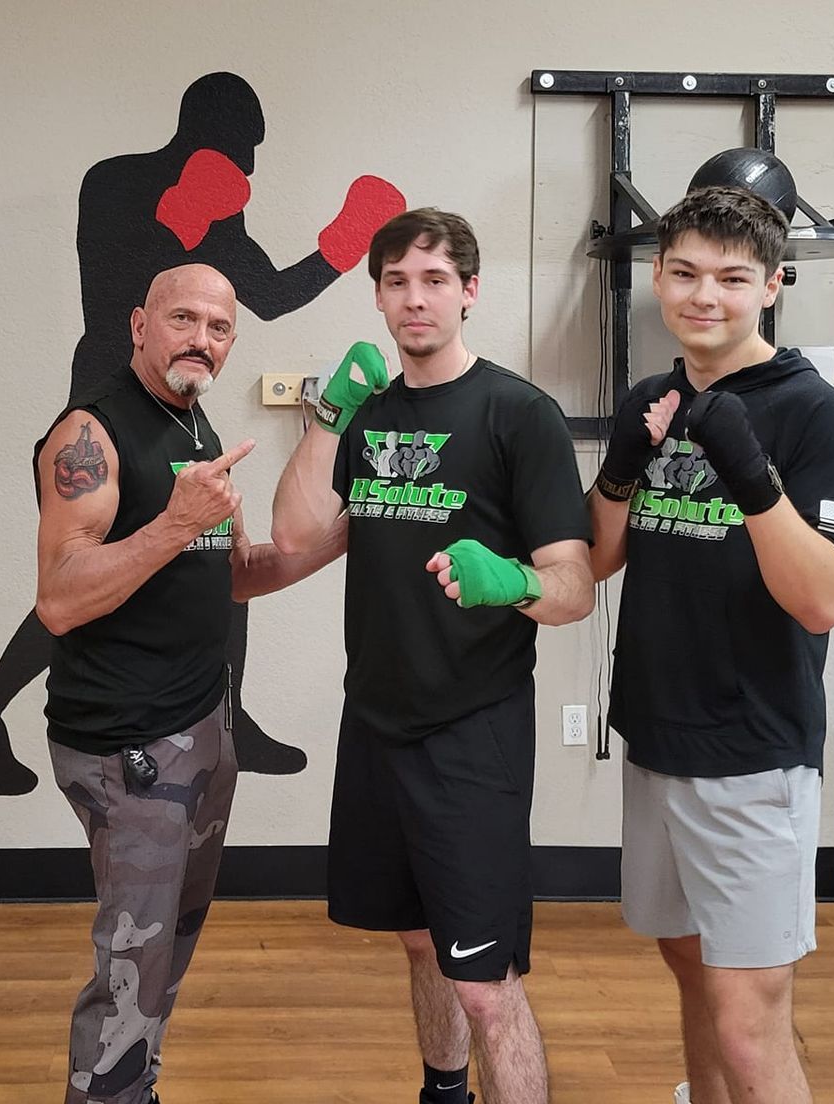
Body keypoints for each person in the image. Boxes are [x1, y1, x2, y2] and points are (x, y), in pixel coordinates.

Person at [0, 72, 402, 793]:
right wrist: (178, 217)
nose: (248, 167)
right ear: (210, 129)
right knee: (105, 565)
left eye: (218, 327)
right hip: (117, 381)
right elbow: (131, 281)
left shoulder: (219, 208)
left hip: (182, 400)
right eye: (246, 147)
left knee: (215, 550)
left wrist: (345, 245)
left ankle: (229, 713)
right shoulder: (116, 181)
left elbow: (271, 296)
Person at [271, 208, 594, 1104]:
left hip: (472, 731)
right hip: (375, 722)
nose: (416, 299)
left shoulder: (518, 414)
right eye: (397, 281)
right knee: (418, 939)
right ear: (376, 295)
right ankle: (442, 1093)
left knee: (485, 983)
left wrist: (511, 581)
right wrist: (329, 413)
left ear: (470, 292)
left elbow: (576, 589)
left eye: (435, 280)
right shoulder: (365, 415)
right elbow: (295, 533)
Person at [587, 186, 834, 1104]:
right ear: (660, 279)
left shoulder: (815, 415)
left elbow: (824, 599)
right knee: (689, 963)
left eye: (732, 279)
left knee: (751, 1020)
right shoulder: (653, 398)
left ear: (773, 285)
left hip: (751, 752)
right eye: (685, 274)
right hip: (658, 734)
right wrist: (622, 466)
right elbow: (597, 562)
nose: (705, 295)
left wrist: (750, 476)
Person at [37, 263, 341, 1104]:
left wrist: (353, 528)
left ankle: (137, 1085)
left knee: (170, 941)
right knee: (132, 964)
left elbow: (235, 573)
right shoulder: (90, 435)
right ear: (139, 325)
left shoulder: (198, 427)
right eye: (182, 319)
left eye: (218, 327)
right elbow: (60, 600)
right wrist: (174, 523)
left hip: (200, 727)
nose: (200, 339)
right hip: (127, 743)